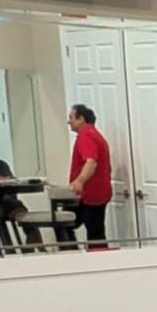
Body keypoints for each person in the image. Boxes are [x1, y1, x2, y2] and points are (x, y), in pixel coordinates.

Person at [67, 103, 112, 244]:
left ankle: (71, 257)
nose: (68, 121)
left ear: (81, 119)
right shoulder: (94, 134)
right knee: (95, 231)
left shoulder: (86, 136)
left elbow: (91, 161)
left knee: (64, 223)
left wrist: (79, 181)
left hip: (89, 195)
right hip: (96, 193)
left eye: (71, 117)